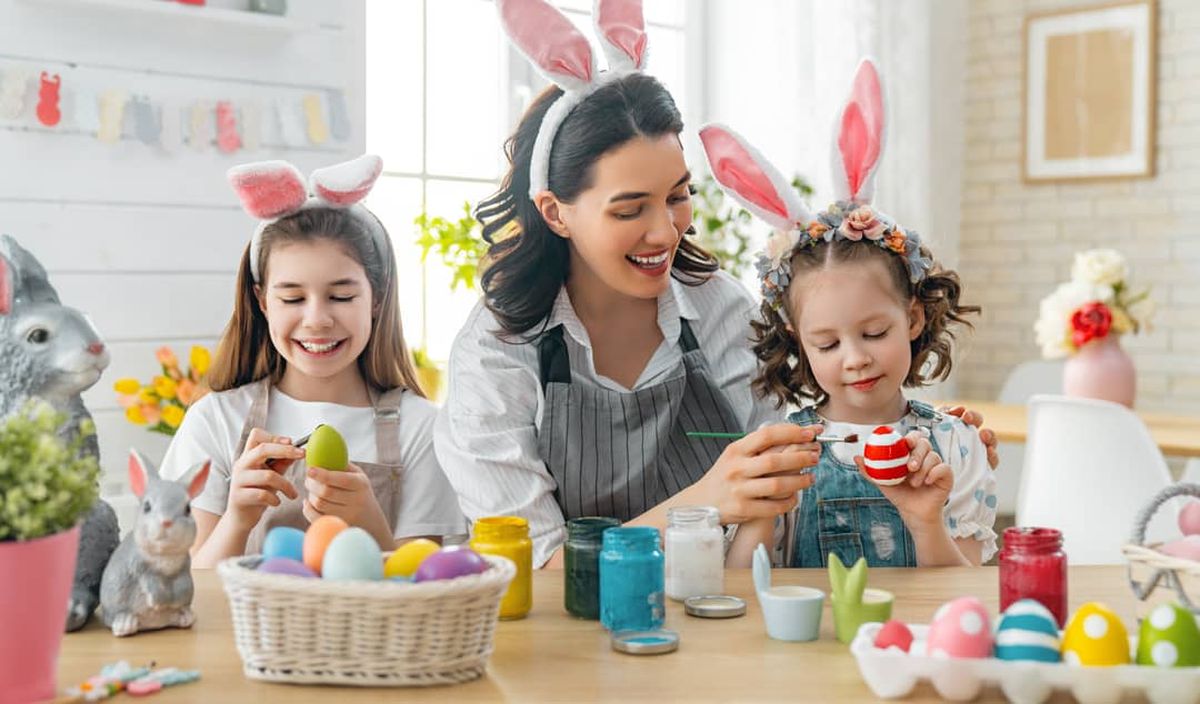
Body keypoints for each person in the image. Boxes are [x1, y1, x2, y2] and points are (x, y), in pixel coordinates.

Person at [433, 0, 825, 568]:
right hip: (565, 642)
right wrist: (705, 502)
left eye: (677, 196)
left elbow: (774, 512)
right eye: (629, 210)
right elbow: (541, 565)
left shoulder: (722, 311)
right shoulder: (496, 351)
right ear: (555, 212)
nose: (664, 231)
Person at [709, 60, 997, 569]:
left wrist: (926, 520)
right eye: (828, 344)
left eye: (874, 332)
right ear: (799, 342)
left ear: (912, 319)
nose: (856, 358)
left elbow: (966, 594)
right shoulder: (784, 451)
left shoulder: (957, 443)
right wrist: (758, 510)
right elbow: (741, 592)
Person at [161, 155, 466, 567]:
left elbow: (418, 585)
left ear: (377, 297)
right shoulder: (215, 421)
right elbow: (192, 589)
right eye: (292, 298)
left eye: (341, 297)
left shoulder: (421, 428)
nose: (317, 320)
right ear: (261, 300)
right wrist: (236, 519)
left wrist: (370, 523)